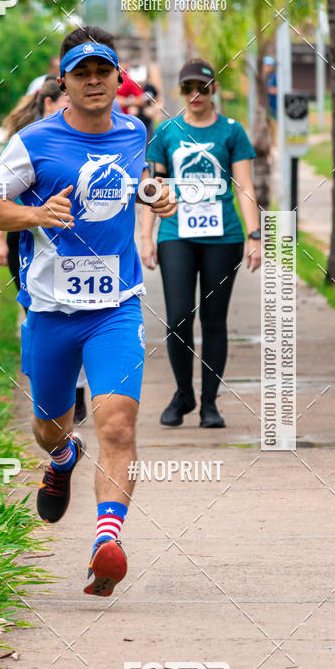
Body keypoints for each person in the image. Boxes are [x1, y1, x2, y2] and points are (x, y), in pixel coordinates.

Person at [0, 26, 176, 596]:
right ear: (63, 80)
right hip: (50, 310)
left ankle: (106, 544)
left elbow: (138, 187)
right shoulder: (34, 142)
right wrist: (36, 216)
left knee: (117, 421)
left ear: (119, 79)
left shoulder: (135, 132)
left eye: (103, 72)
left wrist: (158, 196)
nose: (93, 81)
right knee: (47, 427)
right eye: (81, 73)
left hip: (115, 306)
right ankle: (63, 457)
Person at [141, 58, 261, 429]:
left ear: (213, 90)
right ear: (180, 91)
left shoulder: (230, 131)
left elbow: (243, 186)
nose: (196, 94)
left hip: (222, 237)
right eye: (188, 88)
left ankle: (210, 403)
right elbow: (152, 189)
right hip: (176, 233)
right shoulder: (167, 133)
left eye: (203, 87)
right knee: (178, 317)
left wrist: (255, 234)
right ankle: (183, 393)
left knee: (214, 320)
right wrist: (144, 236)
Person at [0, 78, 89, 421]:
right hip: (26, 233)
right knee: (38, 310)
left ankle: (75, 389)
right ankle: (45, 382)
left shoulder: (83, 133)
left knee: (80, 312)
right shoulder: (29, 139)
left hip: (72, 233)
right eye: (62, 99)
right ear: (47, 102)